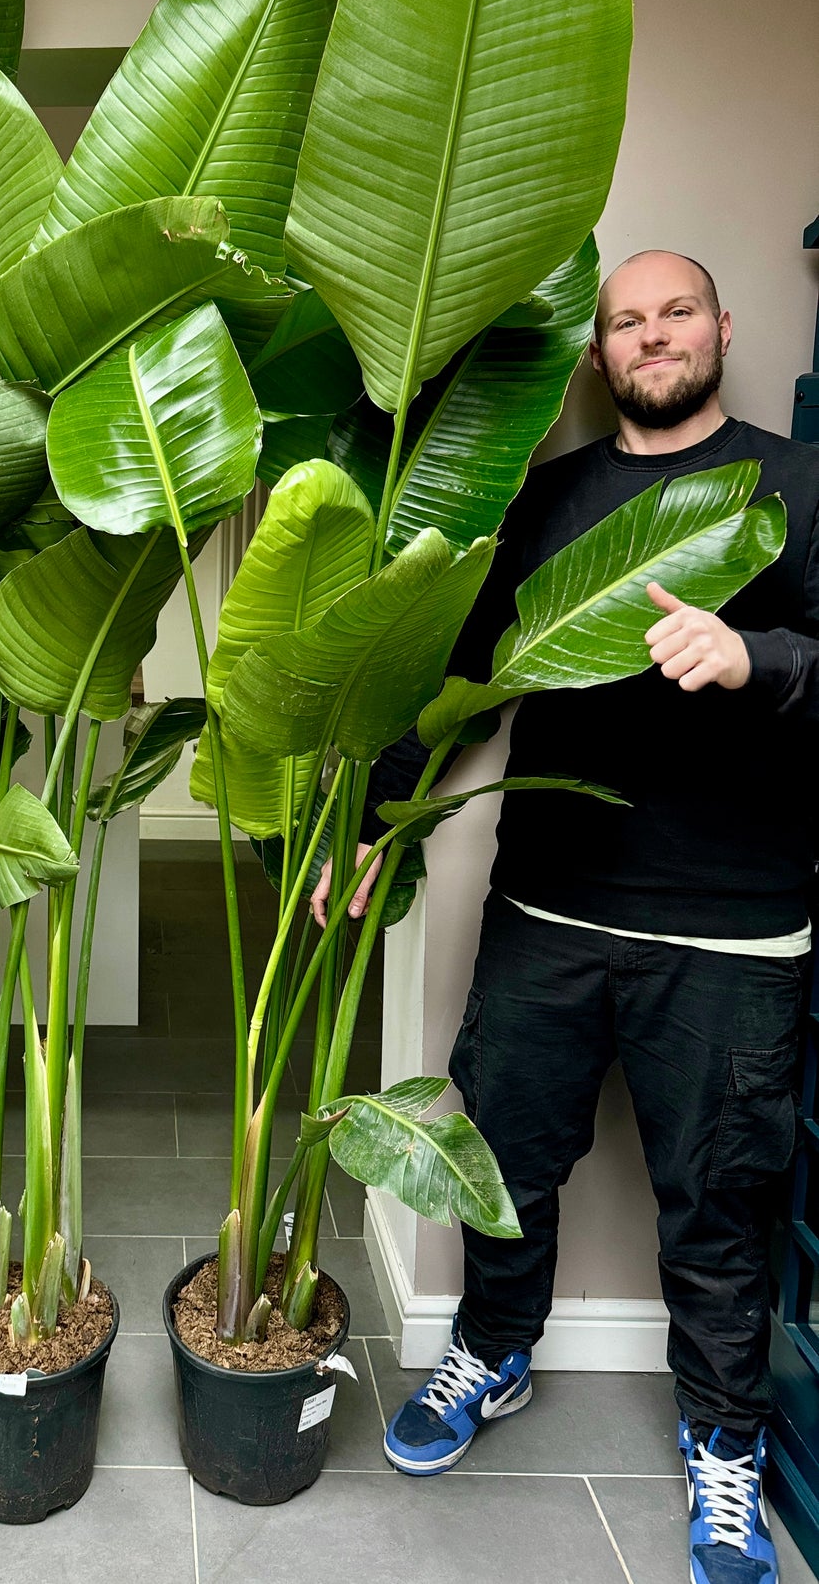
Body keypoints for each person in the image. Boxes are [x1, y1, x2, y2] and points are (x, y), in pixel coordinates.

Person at [311, 251, 816, 1584]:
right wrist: (364, 823)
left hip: (732, 930)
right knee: (506, 1167)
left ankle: (721, 1448)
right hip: (548, 907)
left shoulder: (798, 488)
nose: (651, 336)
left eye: (675, 312)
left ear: (721, 326)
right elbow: (453, 681)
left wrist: (753, 656)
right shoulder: (544, 505)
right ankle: (492, 1351)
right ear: (599, 355)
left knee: (715, 1207)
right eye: (625, 321)